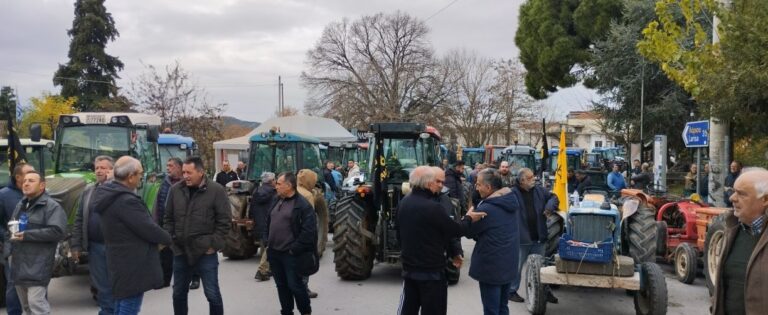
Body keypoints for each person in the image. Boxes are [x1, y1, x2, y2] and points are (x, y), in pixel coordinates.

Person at [397, 166, 485, 315]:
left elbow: (400, 234)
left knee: (408, 310)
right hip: (431, 273)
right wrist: (470, 218)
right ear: (427, 183)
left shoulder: (404, 203)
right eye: (437, 181)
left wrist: (453, 251)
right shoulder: (433, 208)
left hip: (410, 271)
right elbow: (455, 230)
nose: (440, 185)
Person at [94, 156, 173, 315]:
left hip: (119, 261)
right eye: (140, 174)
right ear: (130, 177)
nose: (141, 177)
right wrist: (168, 238)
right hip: (132, 264)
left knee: (120, 305)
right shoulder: (126, 201)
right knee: (128, 308)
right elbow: (148, 228)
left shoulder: (108, 194)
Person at [164, 157, 231, 315]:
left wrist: (212, 245)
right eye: (184, 172)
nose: (185, 176)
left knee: (212, 294)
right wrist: (172, 241)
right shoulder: (175, 190)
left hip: (205, 252)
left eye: (189, 172)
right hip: (180, 251)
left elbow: (224, 221)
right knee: (178, 293)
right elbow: (168, 219)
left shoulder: (216, 191)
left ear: (200, 172)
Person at [6, 171, 66, 315]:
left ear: (42, 185)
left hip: (38, 263)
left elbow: (57, 232)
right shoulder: (21, 204)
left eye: (31, 181)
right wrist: (8, 252)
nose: (26, 183)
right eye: (25, 180)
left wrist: (27, 235)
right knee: (27, 306)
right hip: (18, 261)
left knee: (36, 304)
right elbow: (12, 229)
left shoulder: (51, 206)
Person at [463, 169, 521, 315]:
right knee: (502, 307)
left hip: (492, 267)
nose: (476, 188)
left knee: (491, 310)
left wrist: (468, 218)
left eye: (478, 184)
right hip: (508, 263)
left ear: (488, 188)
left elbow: (469, 232)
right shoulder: (510, 201)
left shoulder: (487, 208)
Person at [711, 167, 768, 315]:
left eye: (742, 194)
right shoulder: (732, 229)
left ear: (765, 199)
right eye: (734, 191)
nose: (732, 198)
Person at [264, 172, 318, 315]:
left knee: (295, 285)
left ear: (289, 186)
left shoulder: (302, 205)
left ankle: (305, 311)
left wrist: (294, 249)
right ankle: (287, 311)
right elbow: (268, 221)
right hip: (275, 252)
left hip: (291, 254)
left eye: (279, 184)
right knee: (281, 286)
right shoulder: (276, 200)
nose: (276, 186)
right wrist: (266, 240)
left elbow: (309, 232)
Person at [71, 156, 115, 314]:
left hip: (115, 246)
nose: (99, 170)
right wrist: (75, 245)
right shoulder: (89, 190)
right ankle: (106, 311)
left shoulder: (118, 188)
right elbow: (79, 219)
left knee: (114, 284)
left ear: (112, 170)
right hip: (95, 246)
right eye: (97, 168)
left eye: (104, 167)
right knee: (101, 285)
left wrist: (110, 182)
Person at [508, 168, 559, 304]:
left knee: (542, 267)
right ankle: (511, 291)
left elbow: (554, 197)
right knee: (516, 266)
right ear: (522, 180)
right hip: (522, 239)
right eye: (530, 177)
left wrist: (549, 207)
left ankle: (544, 292)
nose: (534, 179)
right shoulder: (512, 194)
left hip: (539, 237)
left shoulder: (539, 190)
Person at [0, 162, 34, 315]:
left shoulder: (40, 193)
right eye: (28, 172)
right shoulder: (4, 195)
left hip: (36, 248)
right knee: (13, 287)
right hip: (13, 249)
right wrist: (7, 235)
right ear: (18, 177)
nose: (32, 175)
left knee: (37, 286)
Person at [154, 157, 184, 288]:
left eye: (170, 166)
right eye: (167, 165)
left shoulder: (186, 183)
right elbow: (157, 203)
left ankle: (185, 279)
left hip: (182, 226)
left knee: (182, 254)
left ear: (178, 167)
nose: (167, 168)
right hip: (165, 224)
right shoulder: (164, 183)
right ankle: (164, 280)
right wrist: (155, 222)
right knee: (165, 253)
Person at [251, 172, 277, 282]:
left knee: (264, 244)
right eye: (275, 179)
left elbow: (251, 210)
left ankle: (268, 269)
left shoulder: (256, 191)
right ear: (271, 181)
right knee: (269, 246)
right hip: (269, 223)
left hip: (259, 223)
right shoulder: (274, 193)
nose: (276, 181)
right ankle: (262, 271)